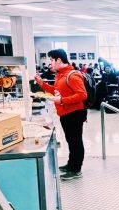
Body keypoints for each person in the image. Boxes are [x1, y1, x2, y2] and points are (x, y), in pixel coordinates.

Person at [34, 49, 87, 181]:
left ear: (59, 60)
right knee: (70, 140)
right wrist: (42, 84)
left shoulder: (72, 75)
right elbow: (55, 90)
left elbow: (82, 95)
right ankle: (71, 164)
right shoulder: (60, 75)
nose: (50, 63)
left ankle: (76, 170)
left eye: (51, 60)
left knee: (75, 141)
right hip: (65, 113)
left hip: (75, 113)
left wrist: (62, 100)